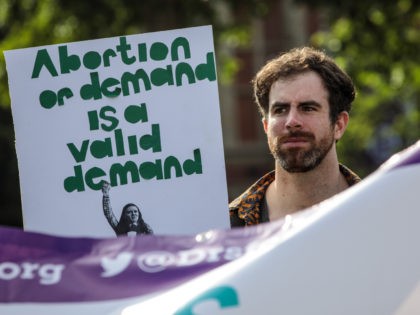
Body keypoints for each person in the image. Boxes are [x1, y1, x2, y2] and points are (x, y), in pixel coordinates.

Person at [229, 47, 361, 227]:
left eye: (307, 108)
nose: (291, 121)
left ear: (339, 124)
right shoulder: (229, 229)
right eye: (280, 110)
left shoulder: (382, 213)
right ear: (266, 126)